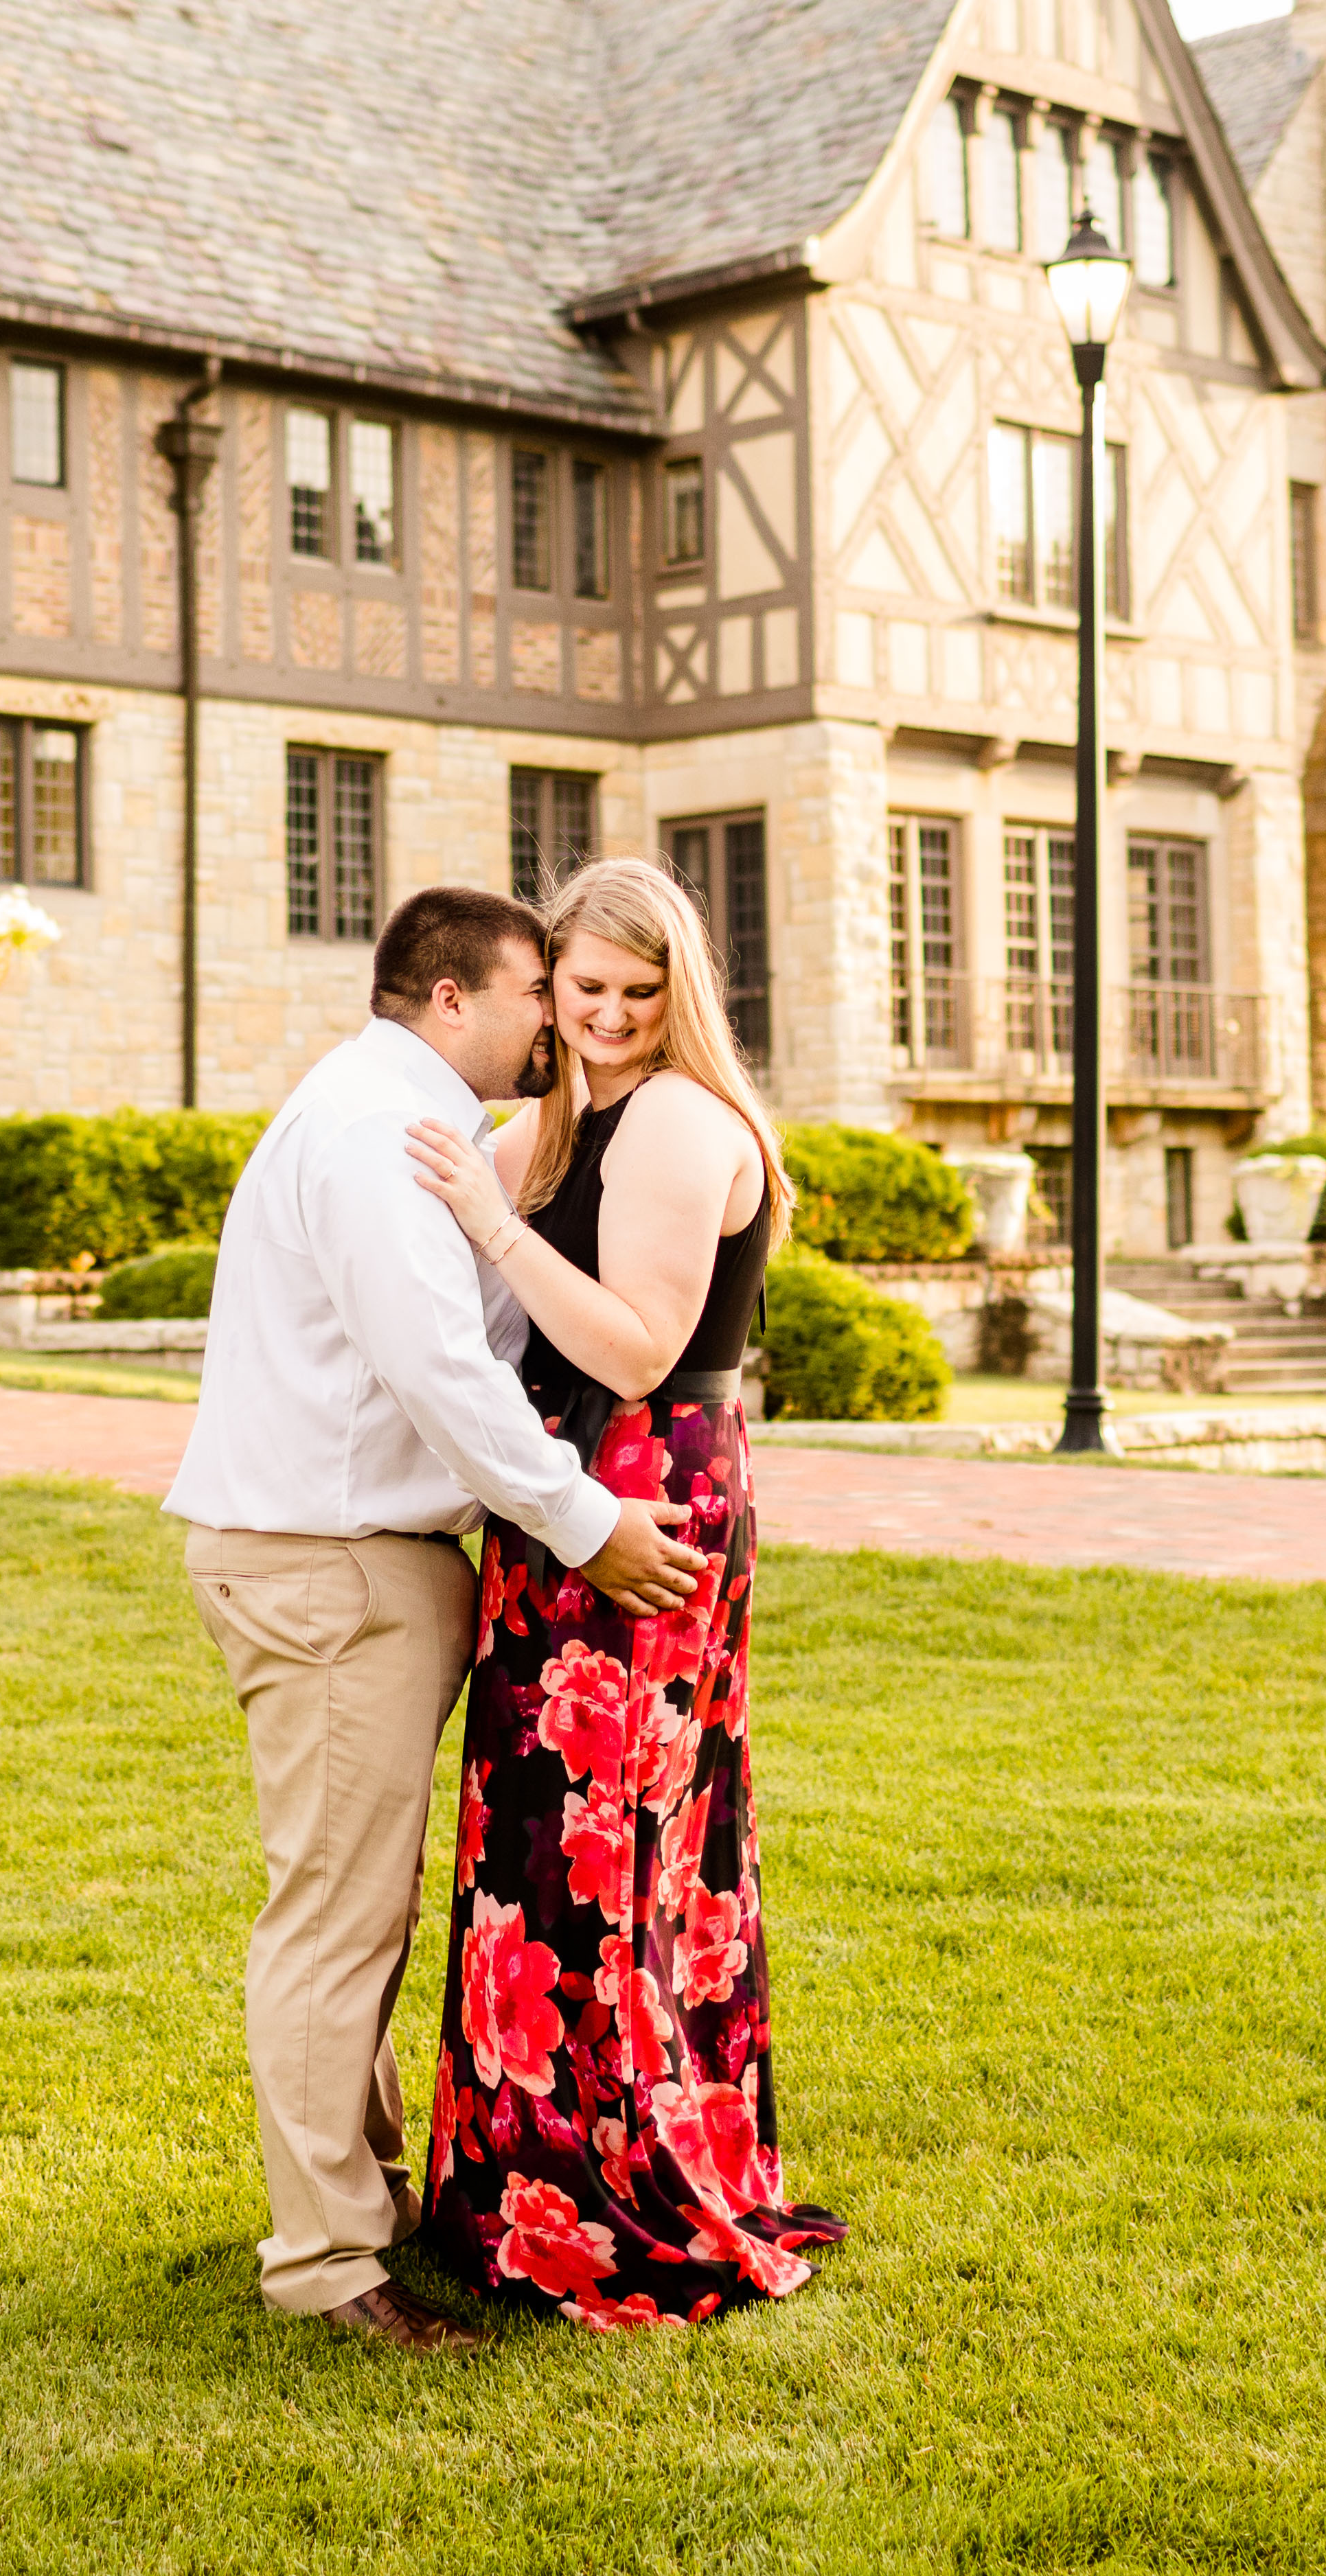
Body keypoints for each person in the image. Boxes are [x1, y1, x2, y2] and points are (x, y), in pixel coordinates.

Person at [161, 885, 717, 2358]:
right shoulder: (373, 1132)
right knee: (337, 1916)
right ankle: (329, 2258)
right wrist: (588, 1524)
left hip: (352, 1556)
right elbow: (439, 1371)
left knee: (361, 1906)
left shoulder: (404, 1118)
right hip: (331, 1561)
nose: (561, 1017)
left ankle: (365, 2202)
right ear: (457, 999)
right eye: (543, 987)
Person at [402, 854, 848, 2329]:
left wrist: (490, 1211)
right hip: (590, 1487)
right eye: (580, 989)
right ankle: (537, 2176)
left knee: (600, 1832)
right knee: (573, 1825)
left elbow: (640, 1344)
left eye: (636, 993)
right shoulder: (592, 1110)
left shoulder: (669, 1114)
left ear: (683, 993)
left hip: (637, 1487)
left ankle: (604, 2188)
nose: (602, 1016)